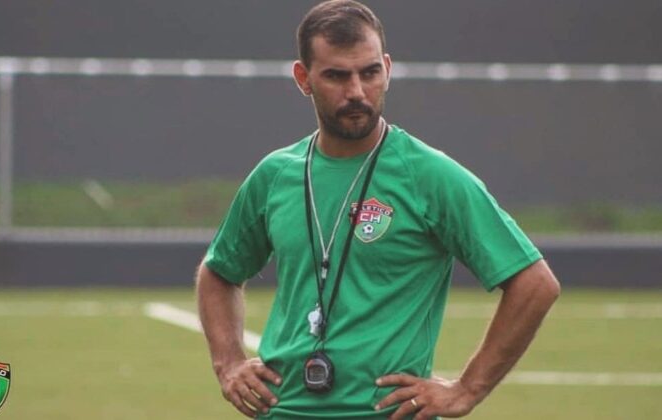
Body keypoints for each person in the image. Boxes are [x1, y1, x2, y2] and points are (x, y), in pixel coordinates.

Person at [196, 1, 560, 419]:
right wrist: (228, 363)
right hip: (283, 412)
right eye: (337, 75)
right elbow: (219, 272)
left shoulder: (429, 175)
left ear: (387, 69)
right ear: (303, 78)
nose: (356, 92)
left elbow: (535, 283)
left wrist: (468, 389)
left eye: (369, 73)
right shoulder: (276, 175)